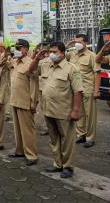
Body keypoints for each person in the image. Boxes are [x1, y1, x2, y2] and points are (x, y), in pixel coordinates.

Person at [29, 41, 83, 178]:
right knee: (54, 139)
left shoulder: (72, 68)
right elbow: (31, 70)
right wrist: (37, 57)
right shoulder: (46, 65)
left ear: (63, 53)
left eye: (55, 52)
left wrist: (76, 110)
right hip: (48, 110)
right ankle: (57, 164)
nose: (52, 54)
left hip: (64, 111)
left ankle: (68, 166)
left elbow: (78, 91)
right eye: (51, 51)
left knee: (67, 140)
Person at [66, 34, 101, 148]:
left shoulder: (92, 56)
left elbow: (97, 73)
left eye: (79, 42)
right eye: (76, 42)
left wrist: (96, 90)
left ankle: (90, 138)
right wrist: (68, 45)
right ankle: (81, 134)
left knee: (90, 114)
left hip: (88, 88)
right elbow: (61, 55)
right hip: (76, 89)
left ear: (85, 43)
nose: (77, 44)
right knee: (78, 112)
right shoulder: (72, 54)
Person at [8, 39, 39, 166]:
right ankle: (20, 150)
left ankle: (31, 155)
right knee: (17, 130)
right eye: (16, 48)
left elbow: (34, 85)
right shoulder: (15, 61)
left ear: (26, 49)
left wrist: (33, 103)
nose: (17, 50)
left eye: (19, 48)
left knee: (27, 130)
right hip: (15, 100)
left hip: (25, 101)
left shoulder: (31, 63)